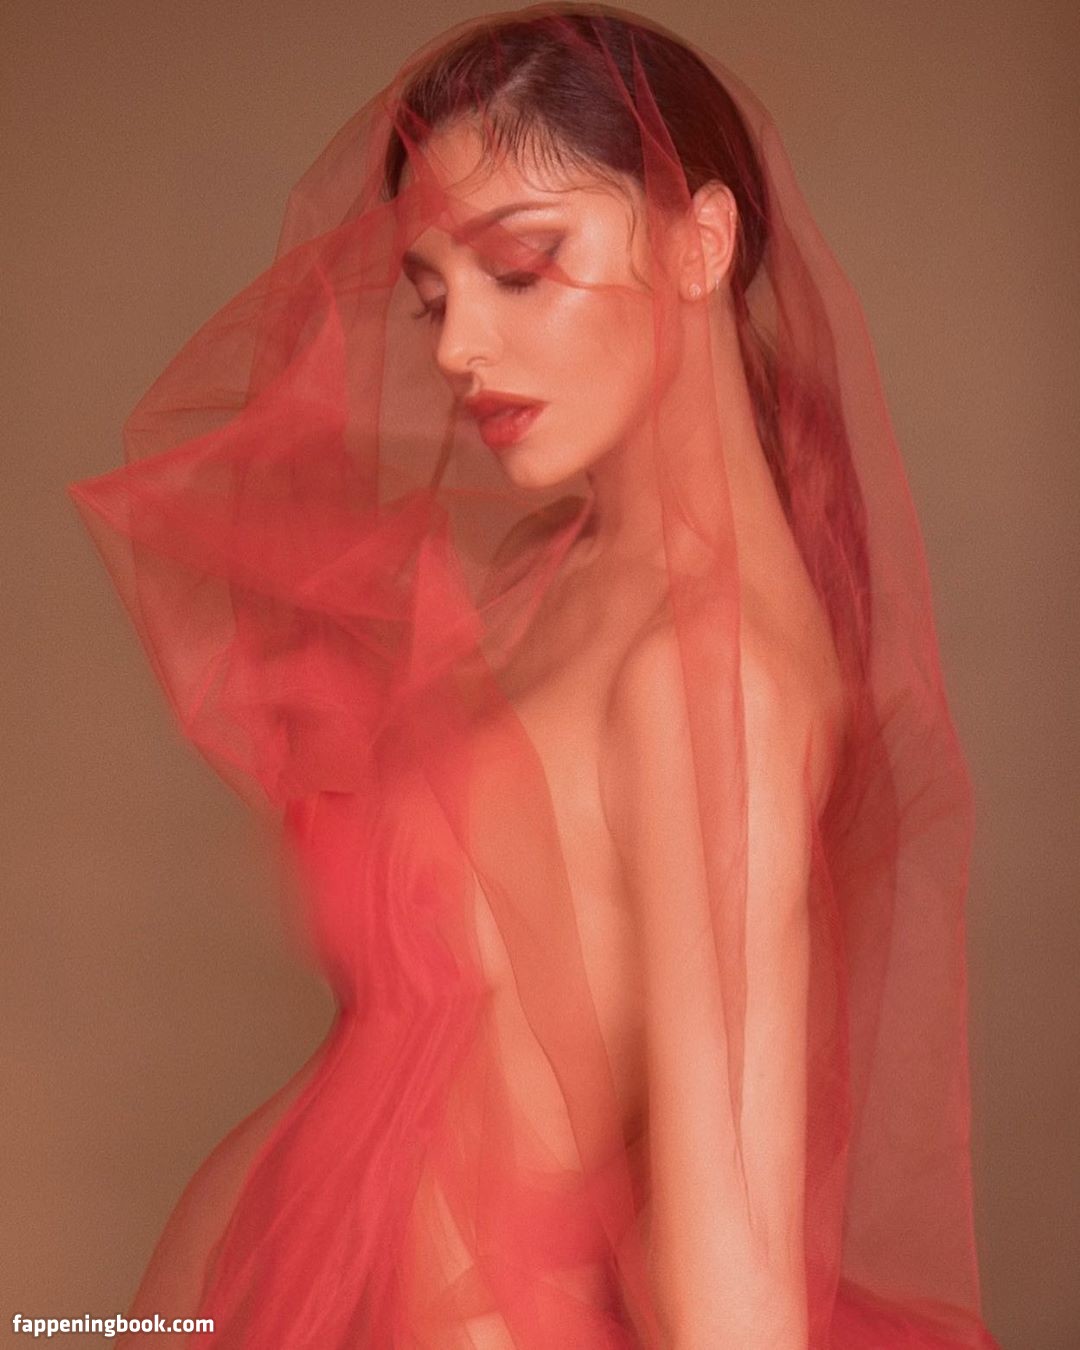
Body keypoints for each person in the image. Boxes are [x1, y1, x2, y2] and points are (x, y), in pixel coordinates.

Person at [67, 5, 1001, 1347]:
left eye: (521, 267)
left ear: (700, 243)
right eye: (432, 295)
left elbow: (728, 1251)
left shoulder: (709, 673)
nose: (456, 346)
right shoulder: (548, 573)